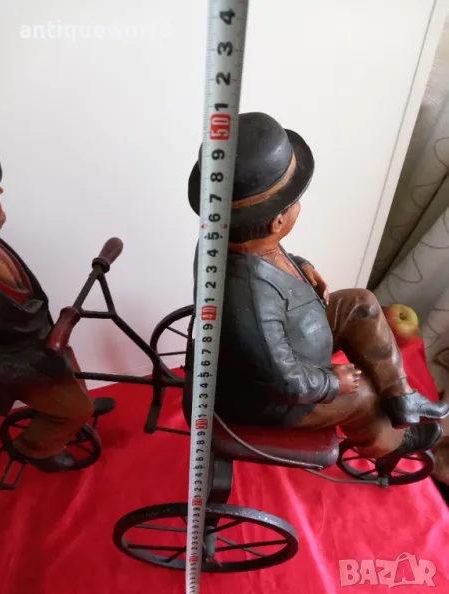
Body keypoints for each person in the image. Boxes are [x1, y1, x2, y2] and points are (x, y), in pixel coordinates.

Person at [187, 112, 449, 459]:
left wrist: (301, 265)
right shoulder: (250, 299)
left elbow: (271, 255)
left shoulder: (234, 239)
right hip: (272, 396)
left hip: (294, 334)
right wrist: (332, 383)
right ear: (277, 221)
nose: (298, 206)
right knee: (362, 395)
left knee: (360, 303)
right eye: (293, 202)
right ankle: (391, 444)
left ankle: (401, 397)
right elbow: (283, 381)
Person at [0, 159, 94, 472]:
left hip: (36, 343)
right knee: (75, 409)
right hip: (13, 360)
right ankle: (35, 448)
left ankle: (71, 404)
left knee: (68, 361)